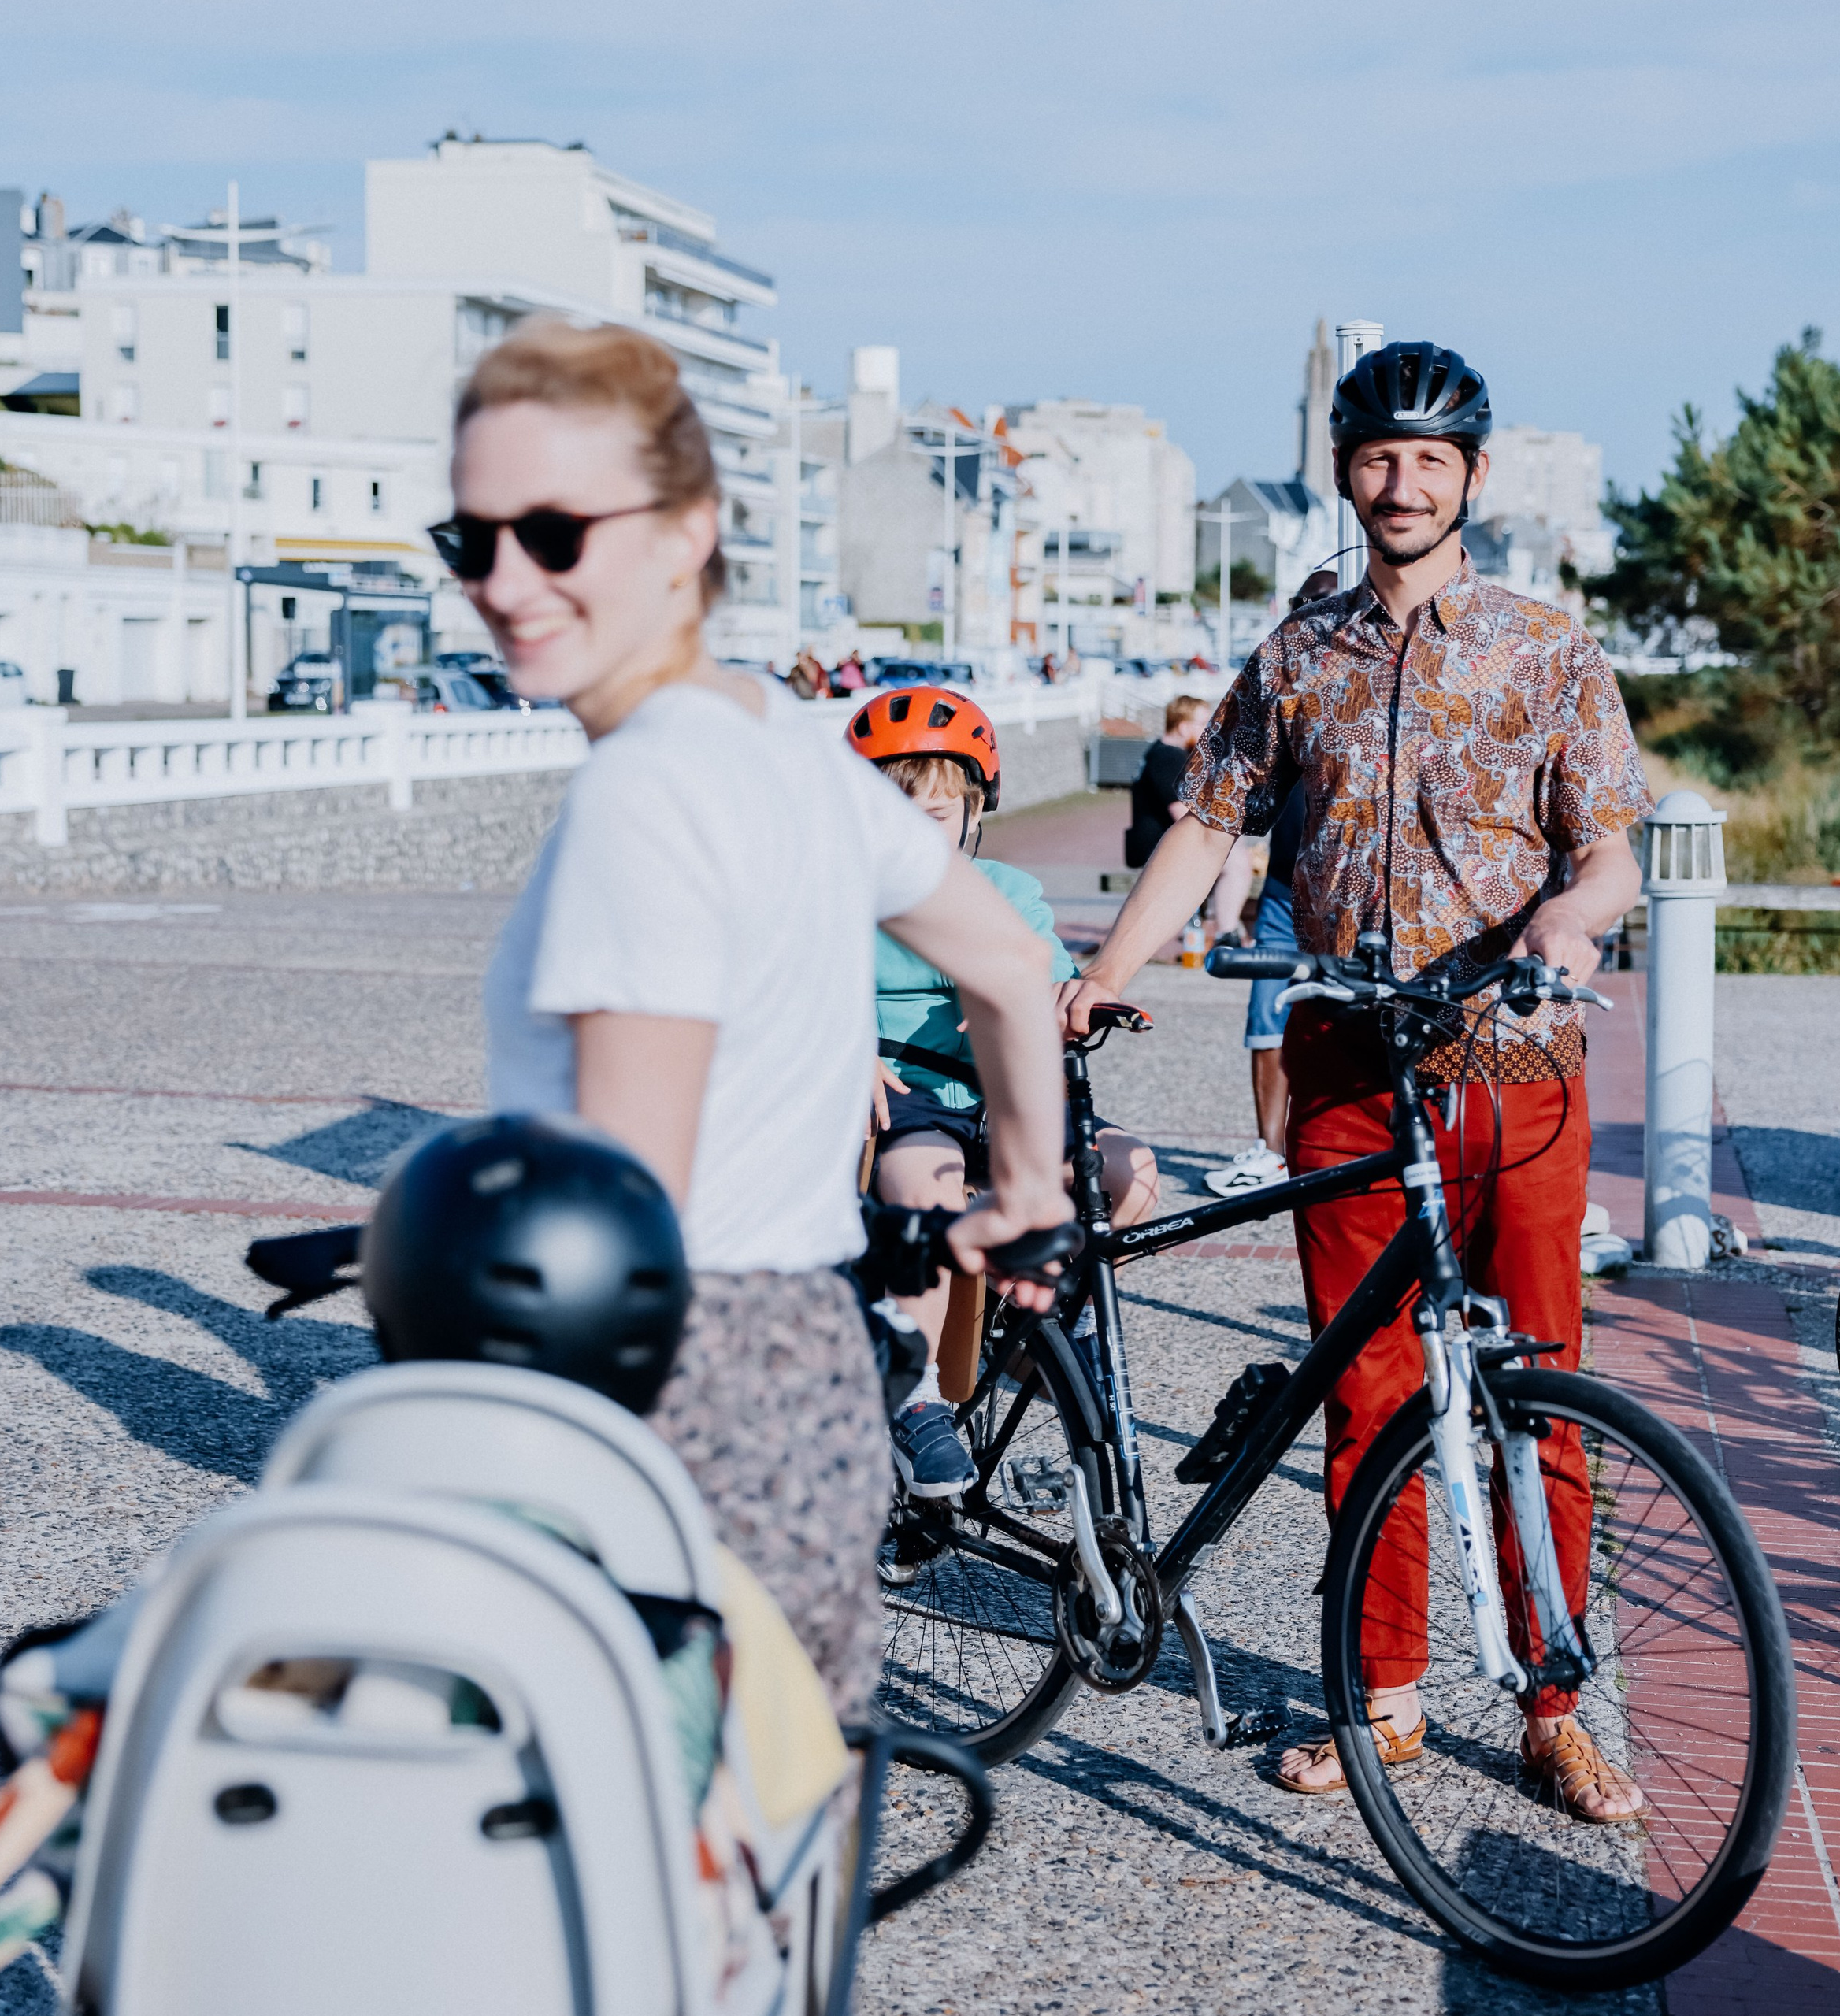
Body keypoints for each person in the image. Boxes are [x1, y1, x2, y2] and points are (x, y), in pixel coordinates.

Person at [1058, 340, 1653, 1820]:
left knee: (1537, 1392)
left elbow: (1609, 852)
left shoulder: (1548, 649)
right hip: (1347, 1066)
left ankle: (1554, 1703)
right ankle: (1382, 1699)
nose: (1404, 484)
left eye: (1431, 461)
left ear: (1474, 477)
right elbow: (1209, 821)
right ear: (1345, 472)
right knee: (1370, 1387)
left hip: (1516, 1067)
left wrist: (1574, 923)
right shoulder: (1299, 653)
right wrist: (1112, 965)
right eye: (1380, 458)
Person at [456, 320, 1073, 1721]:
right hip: (809, 1377)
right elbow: (1003, 964)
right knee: (766, 1824)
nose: (503, 581)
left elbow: (628, 1207)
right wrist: (1028, 1192)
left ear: (687, 534)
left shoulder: (642, 796)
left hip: (670, 1405)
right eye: (471, 540)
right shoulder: (785, 745)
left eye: (553, 534)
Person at [847, 688, 1161, 1497]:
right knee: (928, 1181)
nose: (916, 835)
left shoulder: (1004, 889)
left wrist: (1070, 999)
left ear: (975, 810)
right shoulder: (840, 897)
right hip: (906, 1096)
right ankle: (915, 1398)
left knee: (1130, 1174)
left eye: (936, 814)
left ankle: (1033, 1329)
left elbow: (1047, 974)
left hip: (999, 1098)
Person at [1204, 569, 1334, 1196]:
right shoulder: (1282, 684)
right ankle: (1270, 1153)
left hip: (1350, 903)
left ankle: (1347, 1155)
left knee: (1357, 1026)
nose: (1308, 616)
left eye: (1319, 605)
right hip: (1283, 892)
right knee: (1266, 1020)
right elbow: (1217, 812)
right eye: (1300, 605)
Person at [1127, 694, 1254, 943]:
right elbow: (1183, 815)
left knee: (1233, 849)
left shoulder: (1162, 753)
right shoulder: (1168, 758)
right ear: (1184, 727)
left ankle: (1229, 931)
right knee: (1236, 861)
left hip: (1159, 841)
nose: (1210, 731)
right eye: (1204, 724)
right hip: (1158, 846)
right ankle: (1227, 934)